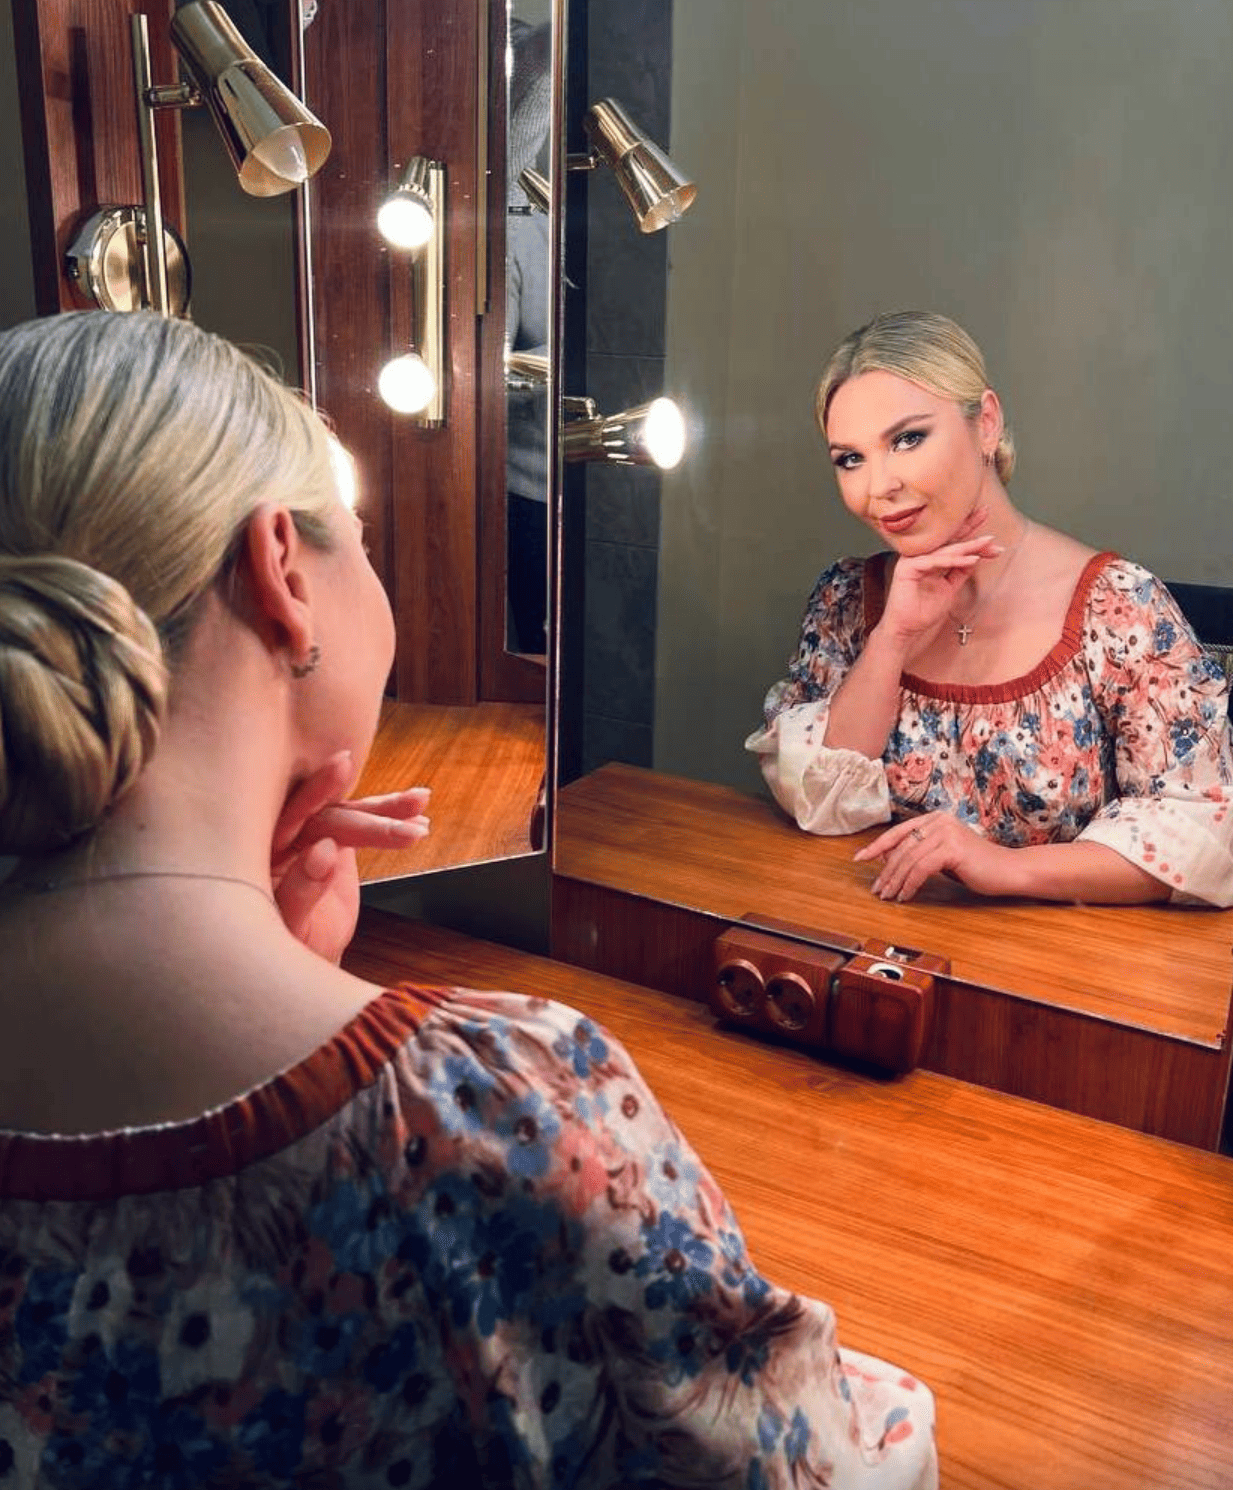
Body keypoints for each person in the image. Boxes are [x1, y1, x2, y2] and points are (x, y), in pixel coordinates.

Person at [0, 311, 936, 1488]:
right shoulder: (482, 1115)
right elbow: (808, 1468)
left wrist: (290, 960)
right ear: (282, 571)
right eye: (360, 535)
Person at [746, 310, 1233, 907]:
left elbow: (1202, 836)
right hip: (878, 938)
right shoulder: (846, 600)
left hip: (1054, 956)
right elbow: (816, 800)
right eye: (851, 459)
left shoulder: (1119, 608)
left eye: (907, 439)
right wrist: (892, 637)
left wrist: (1003, 867)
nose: (879, 487)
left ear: (987, 424)